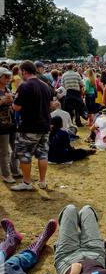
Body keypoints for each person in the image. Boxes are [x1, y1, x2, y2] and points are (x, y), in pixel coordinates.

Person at [11, 61, 54, 192]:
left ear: (24, 71)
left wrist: (12, 101)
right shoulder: (45, 85)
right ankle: (42, 181)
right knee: (42, 154)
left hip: (29, 126)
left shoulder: (25, 86)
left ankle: (27, 182)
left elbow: (16, 107)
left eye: (20, 71)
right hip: (45, 125)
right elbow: (51, 104)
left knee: (24, 154)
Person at [0, 67, 21, 184]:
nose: (9, 79)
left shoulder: (7, 88)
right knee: (4, 151)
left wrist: (12, 100)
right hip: (1, 125)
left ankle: (15, 170)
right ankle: (6, 174)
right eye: (6, 76)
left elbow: (12, 105)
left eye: (9, 76)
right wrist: (3, 101)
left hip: (12, 122)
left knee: (15, 147)